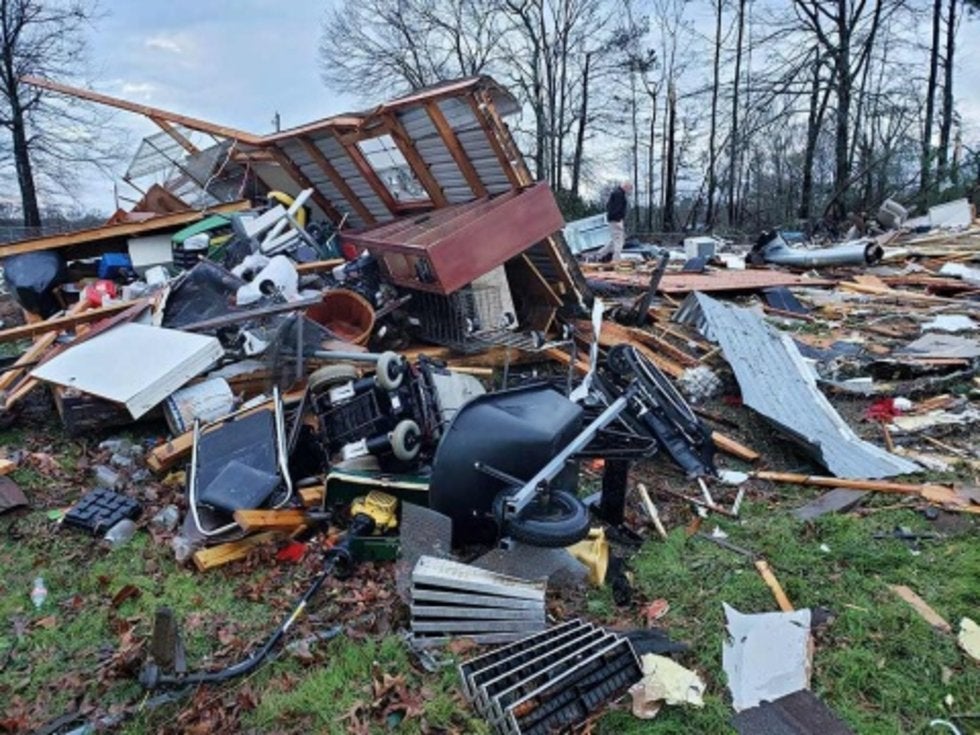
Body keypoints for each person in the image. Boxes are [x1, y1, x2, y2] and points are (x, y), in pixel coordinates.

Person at [593, 181, 631, 261]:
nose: (629, 191)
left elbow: (609, 206)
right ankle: (616, 259)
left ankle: (599, 255)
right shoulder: (619, 194)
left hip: (613, 219)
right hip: (616, 220)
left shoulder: (616, 193)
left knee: (615, 240)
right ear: (626, 187)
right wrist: (618, 219)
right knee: (619, 241)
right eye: (629, 188)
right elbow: (617, 208)